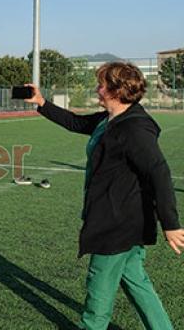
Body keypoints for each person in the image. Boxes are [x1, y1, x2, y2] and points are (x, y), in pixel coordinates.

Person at [24, 62, 184, 329]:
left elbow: (159, 172)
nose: (97, 89)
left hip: (117, 224)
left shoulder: (134, 128)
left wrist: (171, 223)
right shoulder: (109, 119)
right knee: (136, 282)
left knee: (97, 298)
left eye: (101, 84)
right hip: (125, 221)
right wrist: (41, 102)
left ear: (116, 91)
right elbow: (75, 122)